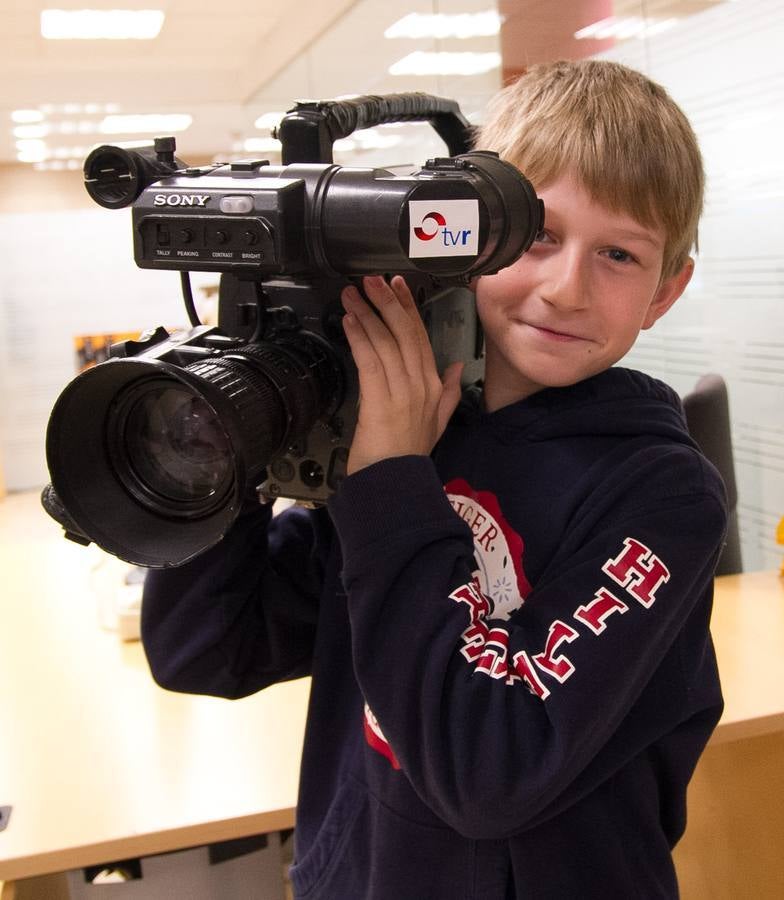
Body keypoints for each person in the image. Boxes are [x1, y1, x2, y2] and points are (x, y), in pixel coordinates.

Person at [141, 59, 727, 899]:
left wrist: (387, 480)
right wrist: (232, 440)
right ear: (465, 235)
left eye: (618, 254)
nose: (565, 288)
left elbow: (491, 769)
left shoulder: (661, 494)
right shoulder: (413, 435)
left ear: (665, 290)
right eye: (537, 235)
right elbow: (208, 647)